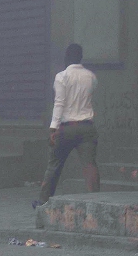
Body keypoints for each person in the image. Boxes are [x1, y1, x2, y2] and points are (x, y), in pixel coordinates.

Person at [36, 43, 99, 206]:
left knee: (54, 165)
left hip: (66, 128)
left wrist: (53, 128)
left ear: (66, 57)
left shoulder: (61, 77)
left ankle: (43, 202)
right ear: (81, 57)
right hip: (87, 127)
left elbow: (59, 103)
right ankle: (96, 201)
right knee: (90, 165)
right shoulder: (91, 76)